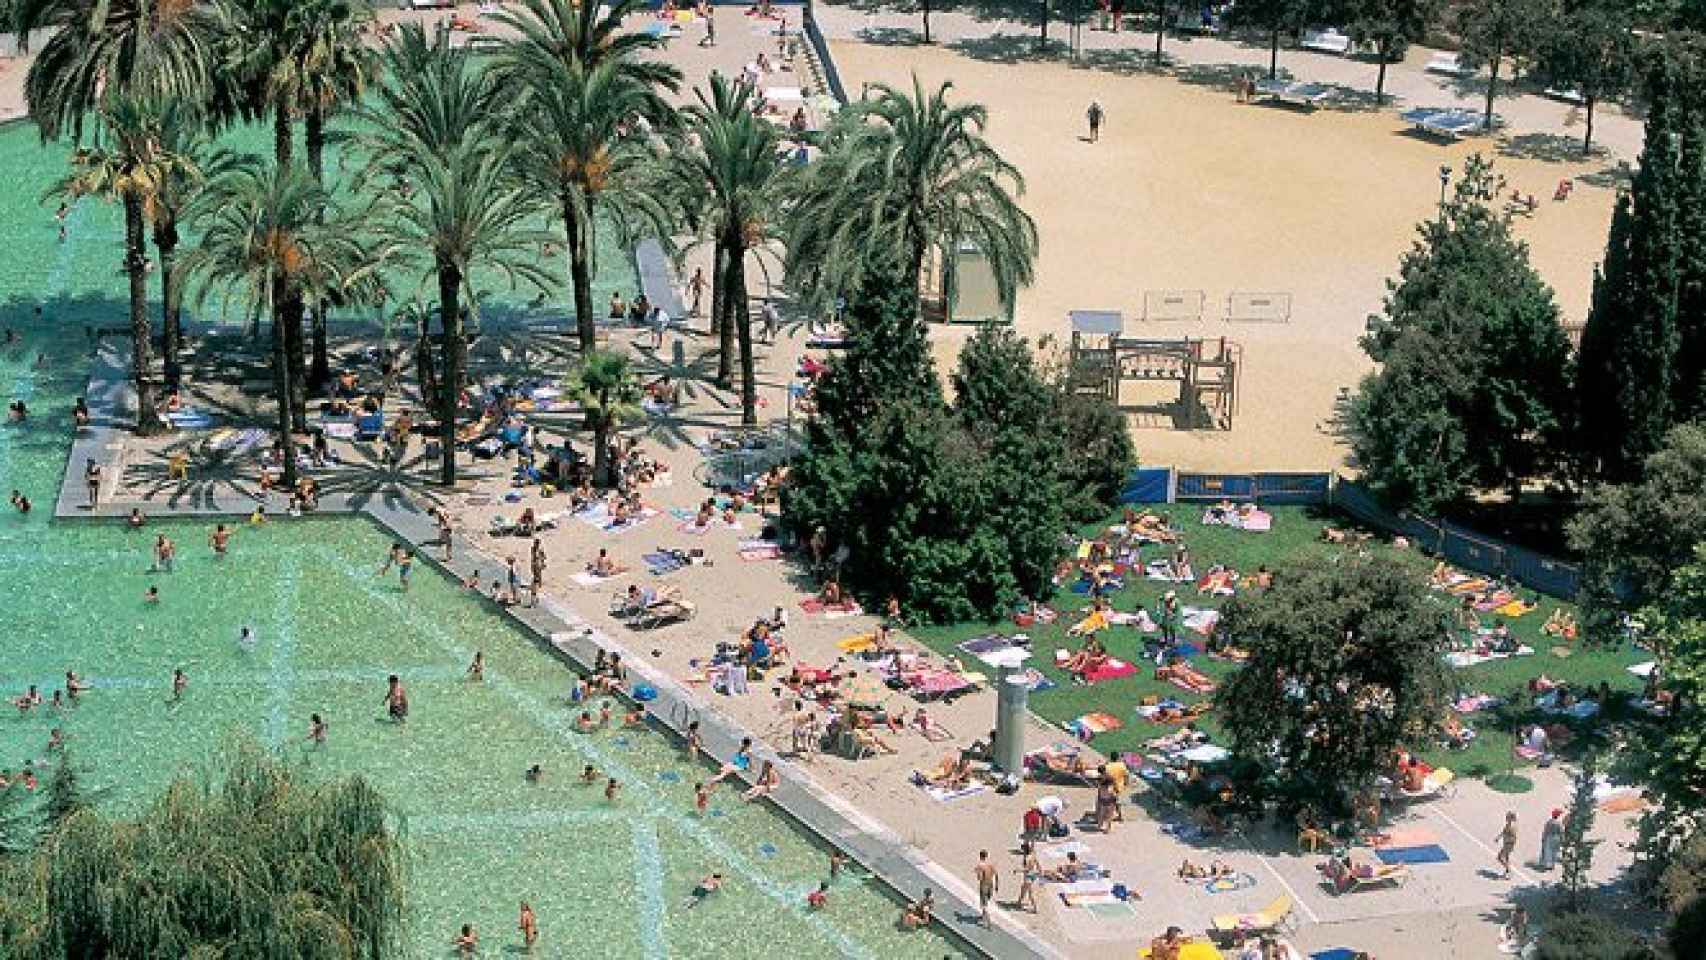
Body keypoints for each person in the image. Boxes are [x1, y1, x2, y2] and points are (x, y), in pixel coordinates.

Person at [1012, 842, 1040, 912]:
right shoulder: (1033, 855)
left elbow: (1027, 869)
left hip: (1028, 876)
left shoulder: (1027, 858)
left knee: (1030, 893)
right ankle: (1019, 902)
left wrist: (1018, 870)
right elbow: (1038, 864)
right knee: (1023, 888)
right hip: (1033, 874)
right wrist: (1039, 872)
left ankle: (1035, 908)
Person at [974, 849, 999, 925]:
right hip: (991, 885)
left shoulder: (980, 866)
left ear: (980, 856)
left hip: (984, 885)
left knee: (984, 904)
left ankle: (987, 920)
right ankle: (983, 916)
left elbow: (980, 878)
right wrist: (997, 885)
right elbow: (996, 874)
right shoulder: (991, 865)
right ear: (986, 856)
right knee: (986, 901)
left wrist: (977, 873)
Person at [1495, 811, 1518, 878]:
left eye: (1507, 817)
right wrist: (1498, 837)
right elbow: (1503, 832)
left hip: (1508, 845)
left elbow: (1514, 838)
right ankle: (1507, 872)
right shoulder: (1508, 825)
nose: (1506, 817)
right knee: (1506, 858)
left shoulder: (1512, 827)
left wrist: (1508, 842)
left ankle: (1509, 870)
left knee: (1499, 857)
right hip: (1506, 844)